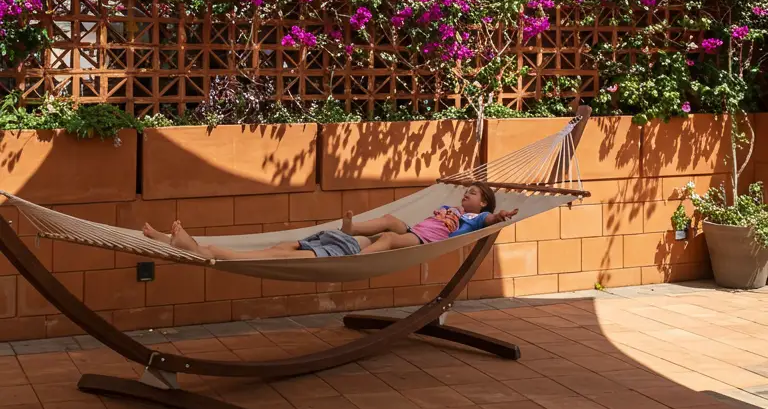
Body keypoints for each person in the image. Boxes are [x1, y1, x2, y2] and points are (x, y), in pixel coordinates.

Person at [142, 181, 517, 261]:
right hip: (410, 231)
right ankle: (173, 242)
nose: (465, 194)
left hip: (415, 242)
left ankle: (196, 248)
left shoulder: (475, 215)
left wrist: (499, 215)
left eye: (471, 192)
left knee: (388, 237)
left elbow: (490, 219)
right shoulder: (448, 210)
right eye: (465, 191)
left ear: (482, 201)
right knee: (389, 222)